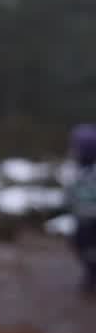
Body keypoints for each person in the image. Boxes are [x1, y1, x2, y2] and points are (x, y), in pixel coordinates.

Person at [67, 125, 96, 295]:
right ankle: (91, 273)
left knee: (89, 248)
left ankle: (92, 276)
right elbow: (72, 194)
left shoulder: (91, 173)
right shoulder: (77, 172)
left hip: (91, 220)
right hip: (83, 219)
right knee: (81, 245)